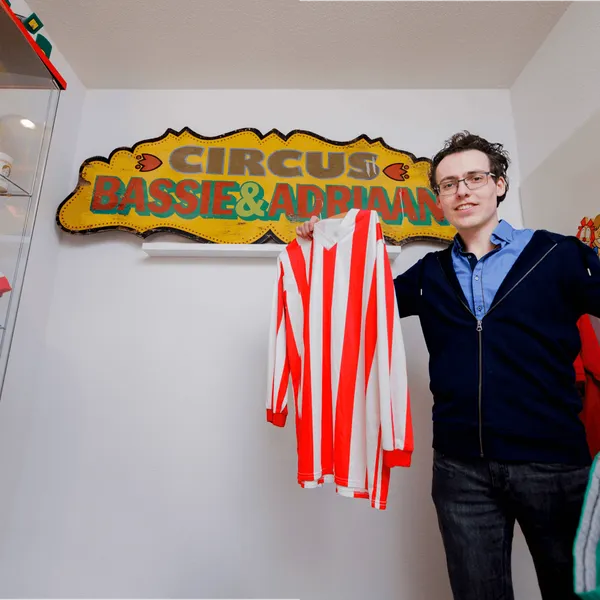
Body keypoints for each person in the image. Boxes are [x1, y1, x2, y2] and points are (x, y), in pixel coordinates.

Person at [296, 131, 600, 600]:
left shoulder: (557, 255)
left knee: (575, 593)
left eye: (475, 178)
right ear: (439, 199)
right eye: (449, 184)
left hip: (554, 463)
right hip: (461, 471)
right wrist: (323, 247)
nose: (463, 191)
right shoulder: (428, 273)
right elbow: (355, 305)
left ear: (498, 184)